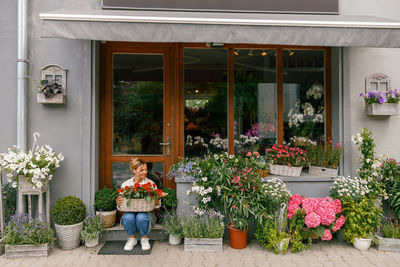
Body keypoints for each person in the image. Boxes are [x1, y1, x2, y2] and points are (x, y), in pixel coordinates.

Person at [116, 158, 168, 251]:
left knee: (141, 216)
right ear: (134, 170)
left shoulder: (151, 184)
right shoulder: (126, 184)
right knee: (128, 217)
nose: (144, 172)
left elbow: (156, 206)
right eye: (141, 170)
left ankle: (144, 238)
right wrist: (118, 202)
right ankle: (131, 239)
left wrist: (157, 198)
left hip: (147, 213)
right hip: (130, 211)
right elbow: (121, 206)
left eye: (146, 170)